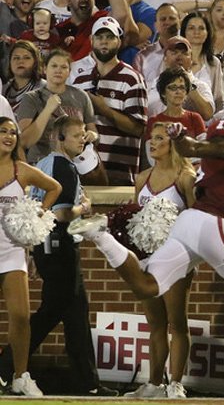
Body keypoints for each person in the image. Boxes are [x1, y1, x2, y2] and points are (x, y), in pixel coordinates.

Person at [73, 88, 224, 397]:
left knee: (148, 286)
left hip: (192, 223)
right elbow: (215, 149)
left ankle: (99, 235)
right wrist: (185, 141)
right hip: (215, 225)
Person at [26, 116, 117, 396]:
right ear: (58, 138)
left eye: (83, 134)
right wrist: (85, 208)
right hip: (60, 245)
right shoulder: (62, 165)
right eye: (76, 135)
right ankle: (8, 366)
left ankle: (87, 382)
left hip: (49, 245)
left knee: (77, 314)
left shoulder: (46, 163)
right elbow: (63, 213)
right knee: (51, 312)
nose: (82, 139)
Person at [123, 121, 197, 398]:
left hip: (177, 259)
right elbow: (134, 219)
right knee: (155, 323)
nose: (152, 143)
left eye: (159, 138)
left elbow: (195, 219)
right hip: (146, 261)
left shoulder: (186, 177)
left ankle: (176, 383)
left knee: (177, 321)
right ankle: (154, 383)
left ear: (174, 143)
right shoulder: (142, 177)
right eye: (151, 139)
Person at [0, 117, 61, 397]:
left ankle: (21, 376)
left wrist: (37, 216)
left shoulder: (20, 170)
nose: (9, 136)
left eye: (13, 133)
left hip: (12, 251)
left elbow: (54, 188)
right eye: (3, 131)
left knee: (21, 317)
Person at [68, 16, 147, 185]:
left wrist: (104, 109)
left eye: (110, 37)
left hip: (120, 174)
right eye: (99, 37)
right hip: (84, 172)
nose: (104, 42)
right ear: (91, 40)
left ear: (119, 41)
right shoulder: (79, 80)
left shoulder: (132, 79)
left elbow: (138, 129)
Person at [17, 49, 97, 164]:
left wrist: (92, 135)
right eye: (54, 66)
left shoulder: (81, 96)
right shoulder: (31, 98)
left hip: (75, 165)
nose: (58, 70)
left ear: (69, 71)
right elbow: (25, 142)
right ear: (45, 69)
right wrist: (47, 110)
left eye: (63, 67)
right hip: (41, 164)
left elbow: (93, 132)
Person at [3, 40, 46, 109]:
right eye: (16, 58)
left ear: (35, 62)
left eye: (26, 58)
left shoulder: (44, 88)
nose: (21, 61)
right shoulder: (3, 89)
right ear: (10, 62)